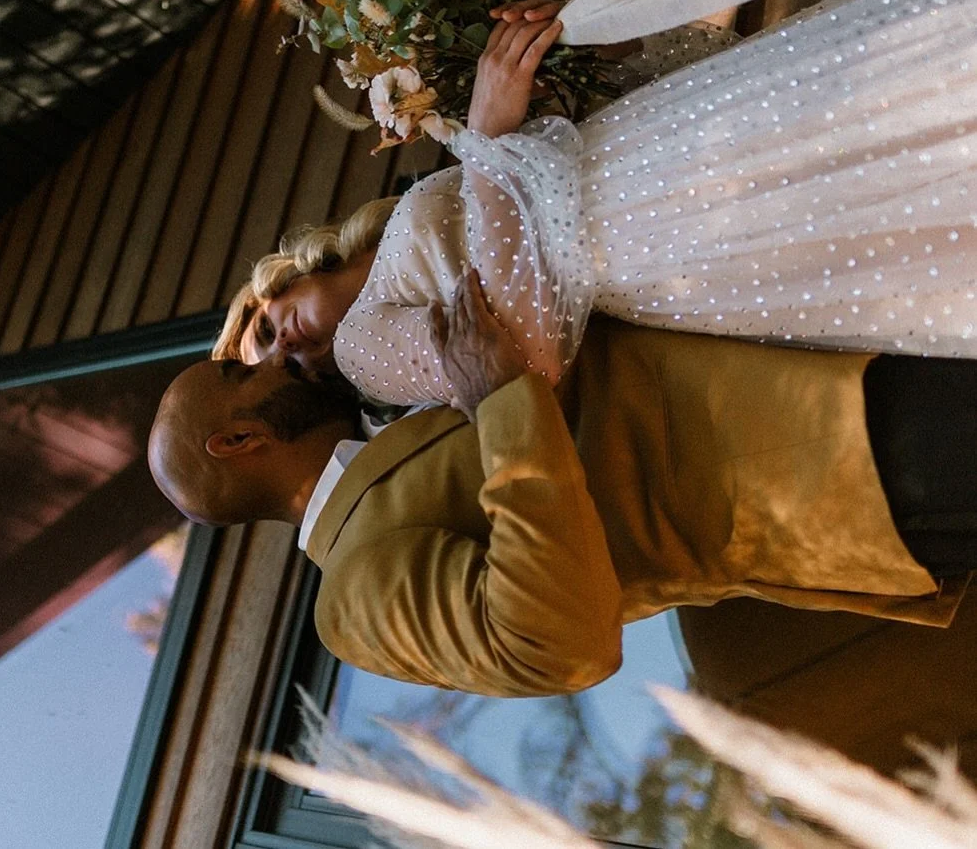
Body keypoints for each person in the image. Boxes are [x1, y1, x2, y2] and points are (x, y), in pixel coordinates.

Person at [216, 0, 977, 412]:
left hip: (665, 138)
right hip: (667, 237)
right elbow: (524, 356)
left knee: (896, 85)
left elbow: (558, 157)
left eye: (269, 332)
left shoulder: (413, 220)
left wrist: (579, 54)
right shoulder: (365, 354)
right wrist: (487, 133)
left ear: (280, 282)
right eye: (290, 372)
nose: (294, 352)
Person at [152, 270, 973, 698]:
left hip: (823, 354)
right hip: (832, 466)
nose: (264, 362)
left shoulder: (384, 414)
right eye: (239, 372)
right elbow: (550, 644)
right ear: (239, 439)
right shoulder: (350, 600)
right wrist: (502, 403)